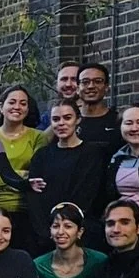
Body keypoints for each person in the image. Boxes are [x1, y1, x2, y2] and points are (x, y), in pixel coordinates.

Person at [27, 100, 110, 252]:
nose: (61, 123)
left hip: (83, 233)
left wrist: (71, 227)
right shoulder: (42, 156)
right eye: (56, 119)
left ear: (78, 119)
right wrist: (49, 232)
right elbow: (34, 198)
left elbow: (90, 193)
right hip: (47, 236)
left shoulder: (93, 153)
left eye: (67, 118)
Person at [0, 85, 50, 241]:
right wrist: (22, 176)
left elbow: (38, 176)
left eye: (23, 103)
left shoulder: (38, 137)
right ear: (1, 106)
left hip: (26, 210)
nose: (17, 107)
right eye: (12, 102)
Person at [75, 64, 121, 152]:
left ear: (107, 87)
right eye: (85, 82)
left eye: (98, 81)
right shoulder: (69, 122)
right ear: (77, 89)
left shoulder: (118, 122)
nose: (91, 86)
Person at [37, 61, 81, 130]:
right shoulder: (47, 117)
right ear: (56, 85)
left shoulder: (92, 114)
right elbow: (40, 139)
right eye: (64, 79)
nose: (68, 84)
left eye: (74, 79)